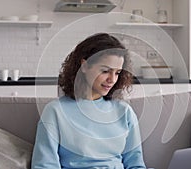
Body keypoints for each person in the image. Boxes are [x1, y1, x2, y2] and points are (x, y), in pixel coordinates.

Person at [31, 33, 146, 169]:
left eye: (117, 73)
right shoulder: (55, 111)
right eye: (105, 71)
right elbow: (44, 165)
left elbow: (136, 165)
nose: (112, 79)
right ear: (84, 66)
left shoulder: (124, 111)